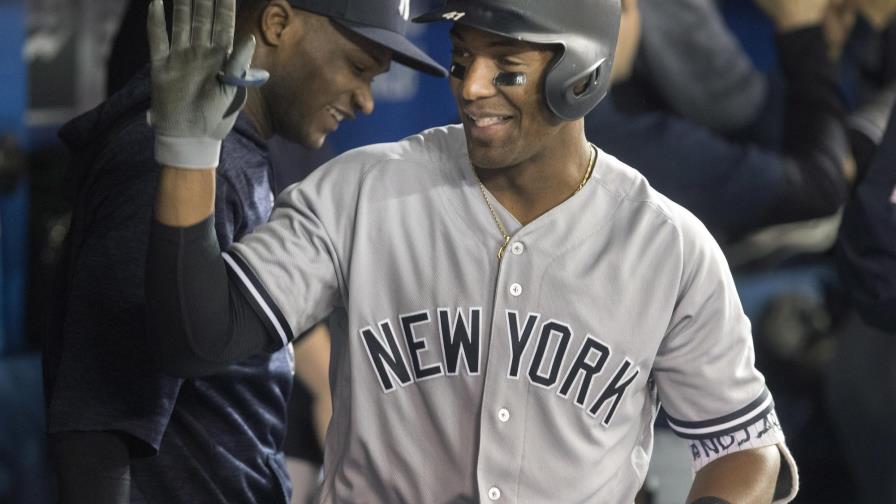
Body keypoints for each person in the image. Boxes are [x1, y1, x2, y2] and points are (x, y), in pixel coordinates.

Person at [145, 0, 798, 502]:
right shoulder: (362, 191)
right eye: (462, 61)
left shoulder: (668, 247)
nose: (471, 86)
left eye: (505, 66)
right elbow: (197, 340)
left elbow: (744, 446)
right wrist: (188, 155)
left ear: (582, 73)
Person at [42, 0, 445, 502]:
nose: (366, 100)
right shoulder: (166, 165)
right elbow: (98, 424)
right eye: (358, 67)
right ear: (277, 24)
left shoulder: (232, 152)